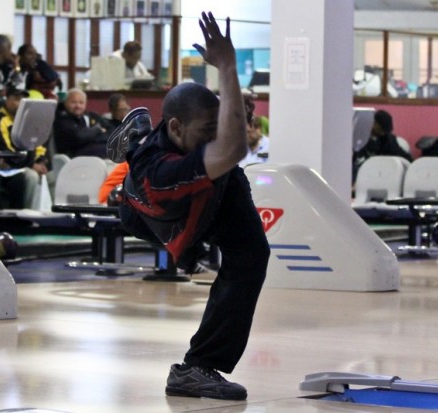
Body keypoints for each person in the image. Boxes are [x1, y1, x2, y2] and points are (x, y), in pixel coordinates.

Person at [107, 12, 269, 400]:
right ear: (177, 128)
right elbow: (233, 147)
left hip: (208, 188)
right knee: (220, 157)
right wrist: (227, 67)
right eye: (206, 131)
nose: (215, 137)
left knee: (251, 253)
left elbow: (228, 144)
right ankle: (132, 143)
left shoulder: (194, 141)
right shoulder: (160, 173)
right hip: (148, 210)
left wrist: (228, 102)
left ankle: (197, 368)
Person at [0, 87, 49, 209]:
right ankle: (24, 214)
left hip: (25, 162)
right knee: (31, 177)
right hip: (11, 165)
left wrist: (40, 161)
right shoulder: (0, 120)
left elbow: (38, 144)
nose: (21, 103)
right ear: (8, 100)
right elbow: (7, 149)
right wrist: (31, 164)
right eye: (17, 99)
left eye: (24, 100)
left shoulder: (28, 120)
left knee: (48, 175)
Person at [352, 109, 413, 182]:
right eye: (381, 129)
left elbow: (404, 156)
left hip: (379, 175)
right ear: (374, 123)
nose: (383, 133)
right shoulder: (358, 137)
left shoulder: (387, 140)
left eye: (385, 131)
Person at [52, 88, 111, 158]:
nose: (78, 106)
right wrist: (98, 130)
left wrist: (90, 136)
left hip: (93, 150)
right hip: (72, 155)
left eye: (81, 103)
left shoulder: (91, 115)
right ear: (65, 103)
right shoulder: (61, 119)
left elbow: (111, 131)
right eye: (73, 102)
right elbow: (78, 137)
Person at [239, 96, 268, 168]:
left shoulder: (269, 147)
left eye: (248, 132)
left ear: (258, 129)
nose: (246, 137)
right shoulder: (241, 148)